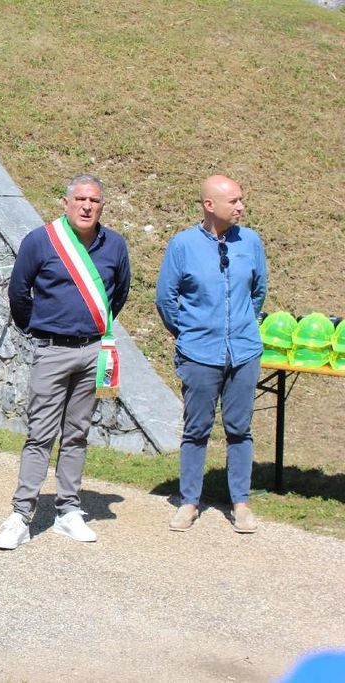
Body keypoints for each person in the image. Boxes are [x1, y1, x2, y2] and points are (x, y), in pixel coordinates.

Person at [0, 174, 130, 550]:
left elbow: (120, 293)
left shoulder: (115, 245)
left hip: (93, 351)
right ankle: (21, 515)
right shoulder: (40, 240)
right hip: (52, 351)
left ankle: (68, 510)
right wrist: (36, 326)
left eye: (94, 201)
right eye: (80, 199)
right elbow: (18, 291)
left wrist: (93, 325)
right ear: (66, 203)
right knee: (40, 434)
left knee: (77, 434)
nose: (87, 206)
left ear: (102, 206)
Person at [156, 175, 267, 533]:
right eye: (233, 201)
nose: (241, 207)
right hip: (199, 354)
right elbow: (166, 298)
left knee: (240, 429)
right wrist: (189, 332)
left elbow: (258, 291)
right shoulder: (183, 245)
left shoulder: (250, 242)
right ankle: (189, 502)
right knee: (196, 429)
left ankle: (241, 504)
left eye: (240, 199)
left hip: (244, 352)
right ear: (209, 205)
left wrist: (242, 326)